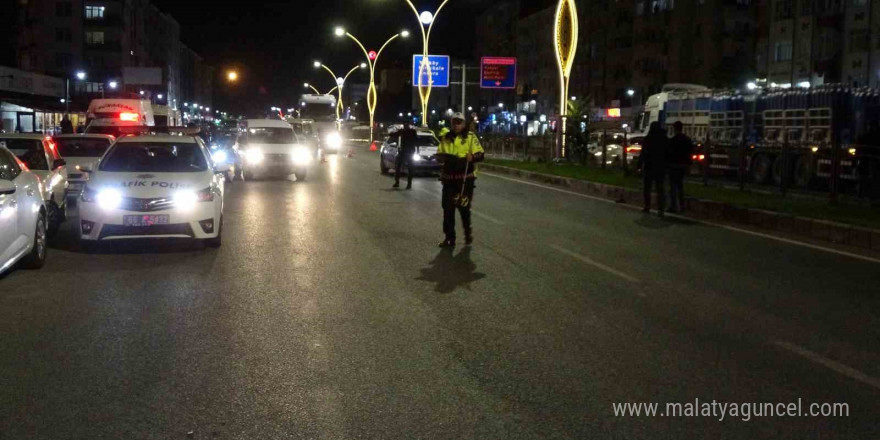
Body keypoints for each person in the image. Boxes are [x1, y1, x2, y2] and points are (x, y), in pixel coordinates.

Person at [437, 112, 485, 247]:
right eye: (454, 122)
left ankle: (467, 233)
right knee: (447, 209)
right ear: (451, 124)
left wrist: (473, 157)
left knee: (463, 208)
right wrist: (439, 158)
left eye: (459, 122)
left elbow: (481, 154)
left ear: (464, 124)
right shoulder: (446, 138)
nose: (457, 125)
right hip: (448, 179)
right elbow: (440, 153)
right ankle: (449, 238)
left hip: (465, 179)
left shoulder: (470, 137)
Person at [637, 122, 668, 216]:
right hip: (660, 166)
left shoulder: (648, 139)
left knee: (647, 188)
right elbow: (667, 153)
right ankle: (661, 209)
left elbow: (643, 153)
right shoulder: (664, 139)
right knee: (660, 189)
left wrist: (639, 165)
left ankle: (647, 207)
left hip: (649, 166)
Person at [666, 121, 693, 213]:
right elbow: (690, 153)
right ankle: (682, 206)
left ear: (674, 129)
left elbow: (668, 154)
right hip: (683, 165)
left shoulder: (672, 140)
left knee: (673, 186)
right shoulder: (687, 140)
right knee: (680, 186)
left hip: (673, 165)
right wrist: (689, 165)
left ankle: (673, 206)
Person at [393, 121, 419, 189]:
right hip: (409, 151)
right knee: (409, 168)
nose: (405, 126)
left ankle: (398, 182)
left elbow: (393, 135)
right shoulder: (412, 131)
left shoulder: (404, 131)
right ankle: (408, 184)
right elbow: (417, 141)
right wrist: (417, 150)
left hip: (405, 151)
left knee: (399, 167)